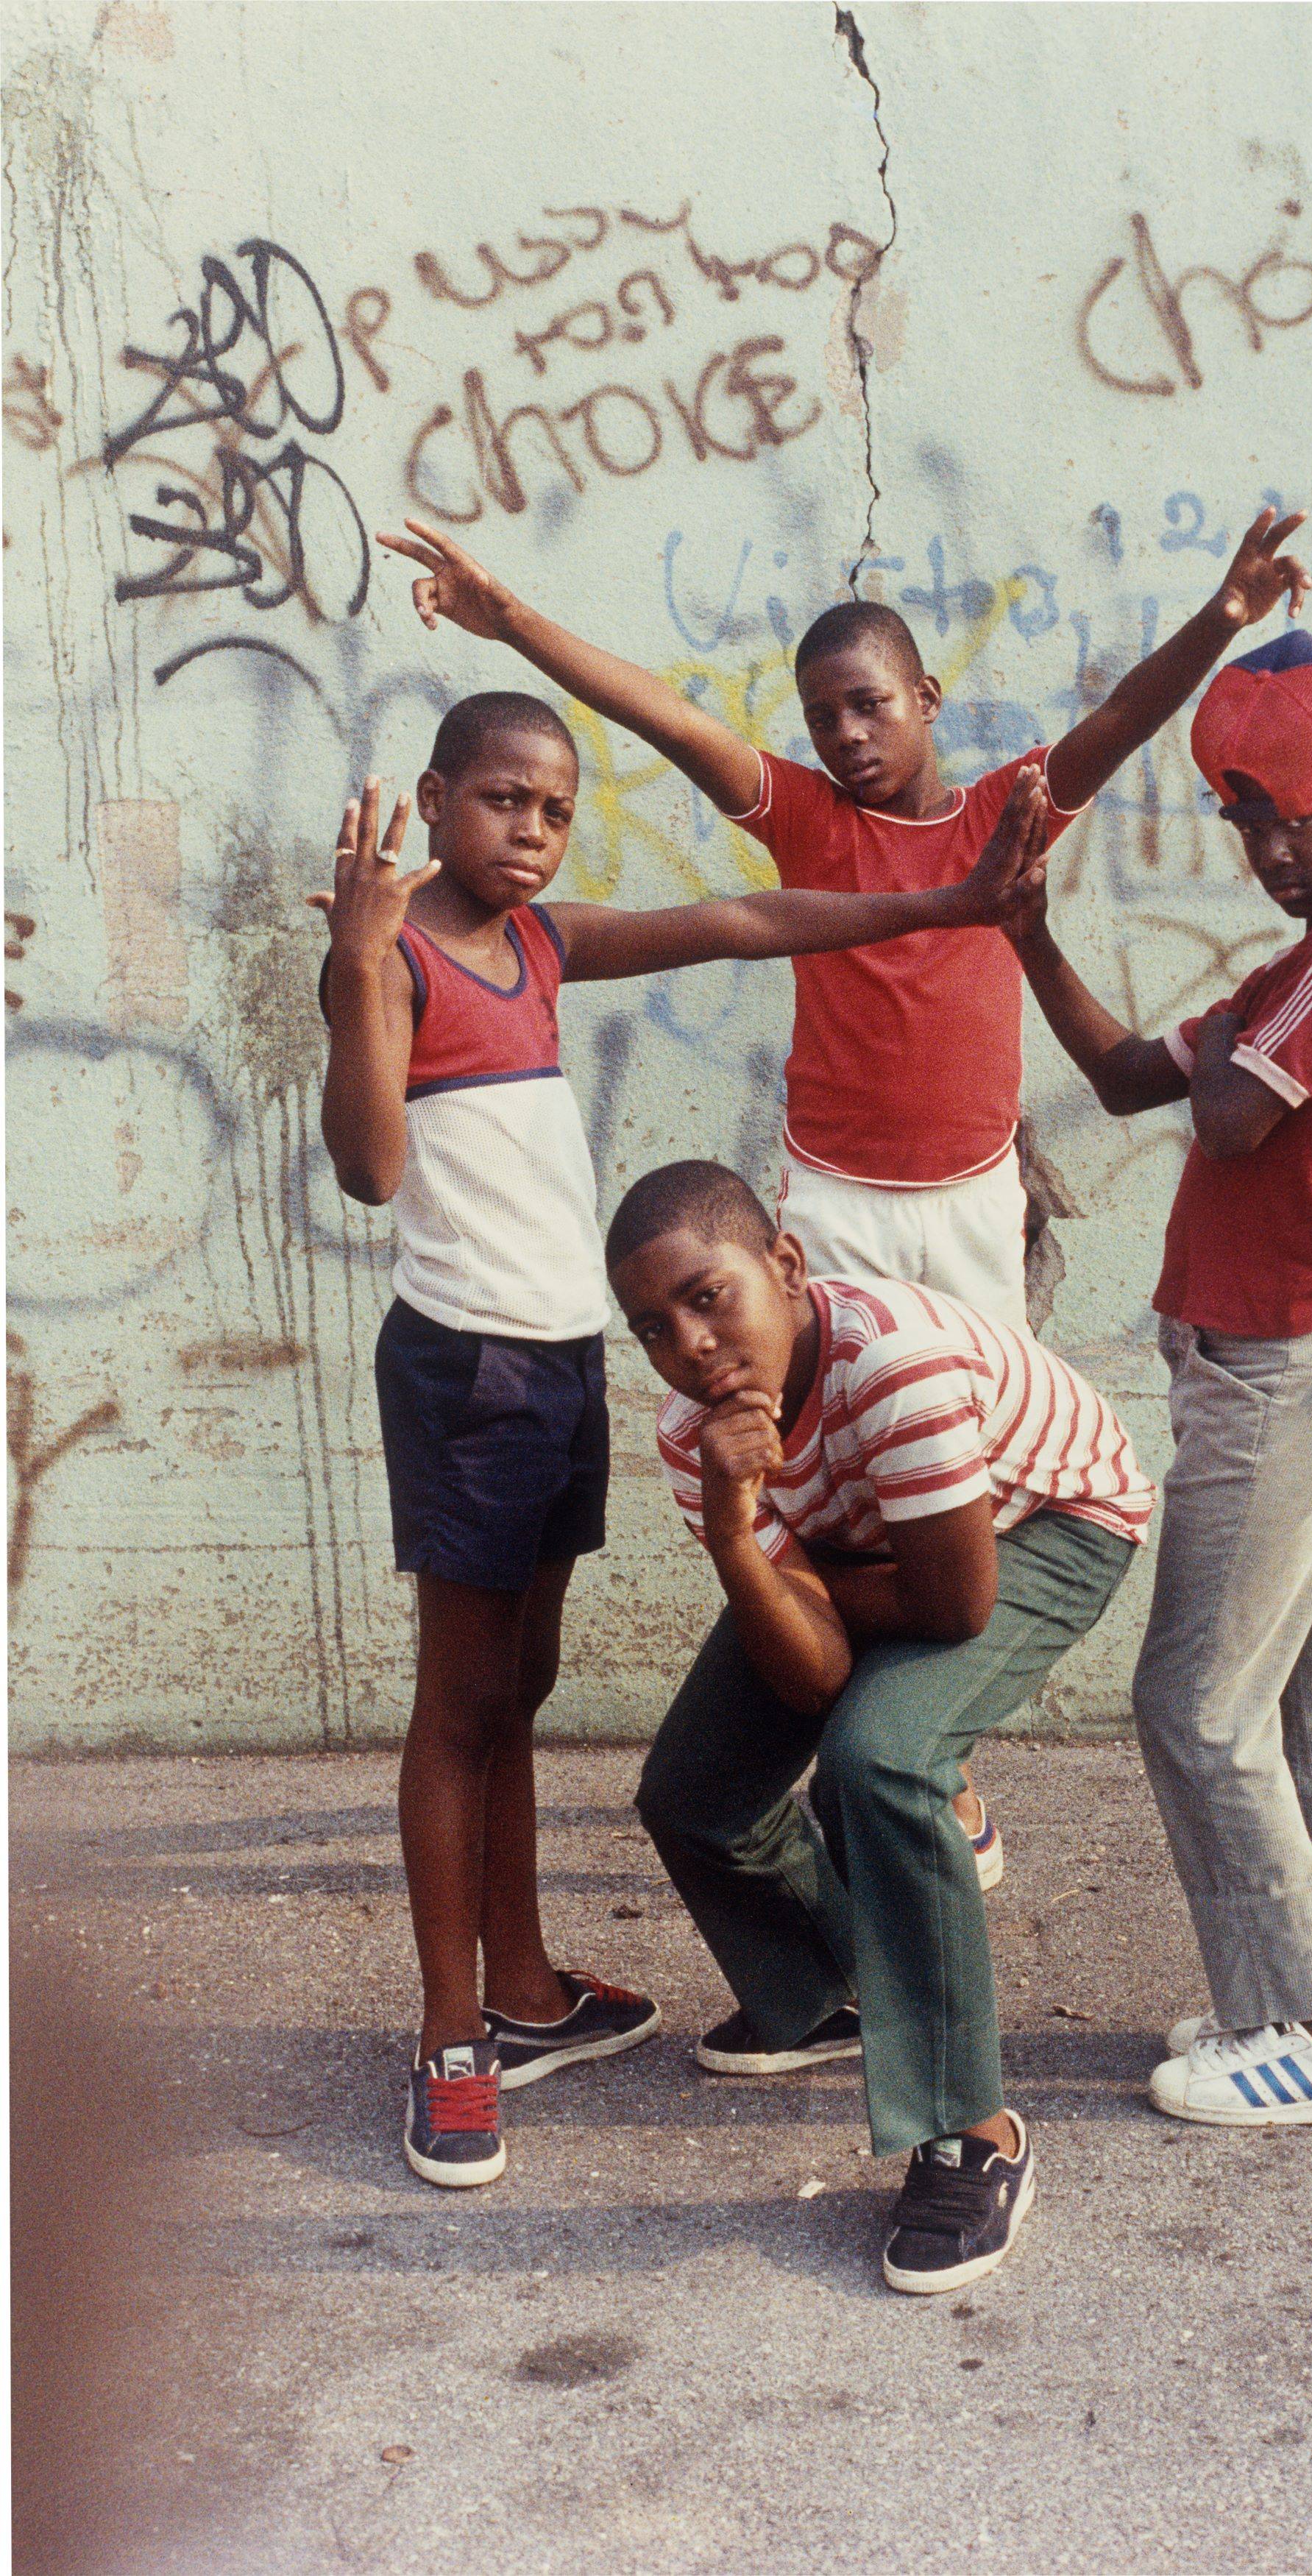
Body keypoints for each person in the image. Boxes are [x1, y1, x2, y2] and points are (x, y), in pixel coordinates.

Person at [375, 504, 1310, 1885]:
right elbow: (659, 716)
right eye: (822, 716)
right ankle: (829, 1740)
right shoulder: (807, 817)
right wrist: (507, 619)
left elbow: (1121, 715)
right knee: (821, 1479)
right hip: (833, 1208)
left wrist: (1225, 618)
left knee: (963, 1491)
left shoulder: (1007, 811)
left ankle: (941, 1761)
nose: (847, 736)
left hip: (973, 1201)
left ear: (927, 700)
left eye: (870, 705)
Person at [315, 697, 1046, 2188]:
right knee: (458, 1706)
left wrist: (953, 900)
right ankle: (452, 2041)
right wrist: (348, 971)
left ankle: (521, 1990)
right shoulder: (394, 956)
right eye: (501, 799)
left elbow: (736, 915)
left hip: (558, 1367)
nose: (530, 828)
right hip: (464, 1375)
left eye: (555, 809)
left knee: (517, 1681)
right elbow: (370, 1166)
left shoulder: (534, 946)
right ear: (438, 799)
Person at [1004, 629, 1312, 2127]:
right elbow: (1140, 1075)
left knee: (1192, 1704)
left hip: (1283, 1380)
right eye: (1243, 820)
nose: (1266, 849)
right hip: (1277, 1371)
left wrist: (1238, 1035)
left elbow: (1232, 1118)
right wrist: (1027, 935)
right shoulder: (1303, 956)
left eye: (1297, 815)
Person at [605, 1138, 1155, 2294]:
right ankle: (830, 1992)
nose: (692, 1347)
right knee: (694, 1793)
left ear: (788, 1264)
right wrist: (733, 1525)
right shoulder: (692, 1437)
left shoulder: (888, 1365)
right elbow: (805, 1675)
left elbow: (953, 1606)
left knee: (882, 1759)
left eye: (710, 1299)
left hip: (1047, 1520)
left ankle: (974, 2132)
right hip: (885, 1545)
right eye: (655, 1327)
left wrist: (806, 1582)